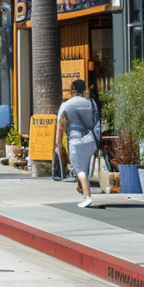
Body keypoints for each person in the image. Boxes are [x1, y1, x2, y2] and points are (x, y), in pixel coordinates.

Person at [57, 78, 101, 208]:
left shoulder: (66, 104)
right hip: (91, 140)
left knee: (78, 169)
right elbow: (96, 122)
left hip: (75, 140)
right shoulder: (91, 103)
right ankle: (83, 191)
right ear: (84, 90)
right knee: (85, 166)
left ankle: (87, 196)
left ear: (72, 90)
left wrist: (59, 144)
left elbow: (59, 125)